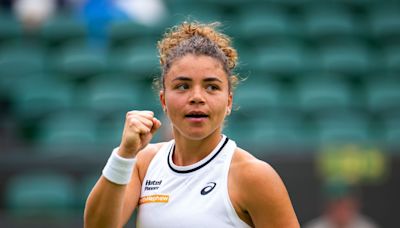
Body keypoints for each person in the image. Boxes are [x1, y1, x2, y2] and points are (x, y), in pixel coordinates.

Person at [84, 21, 300, 228]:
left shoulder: (254, 176)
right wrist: (124, 154)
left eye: (212, 87)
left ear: (229, 102)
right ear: (163, 101)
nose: (197, 97)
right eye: (183, 86)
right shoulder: (143, 163)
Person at [303, 180, 379, 228]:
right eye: (337, 204)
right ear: (328, 206)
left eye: (347, 205)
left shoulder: (367, 226)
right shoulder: (315, 226)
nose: (342, 210)